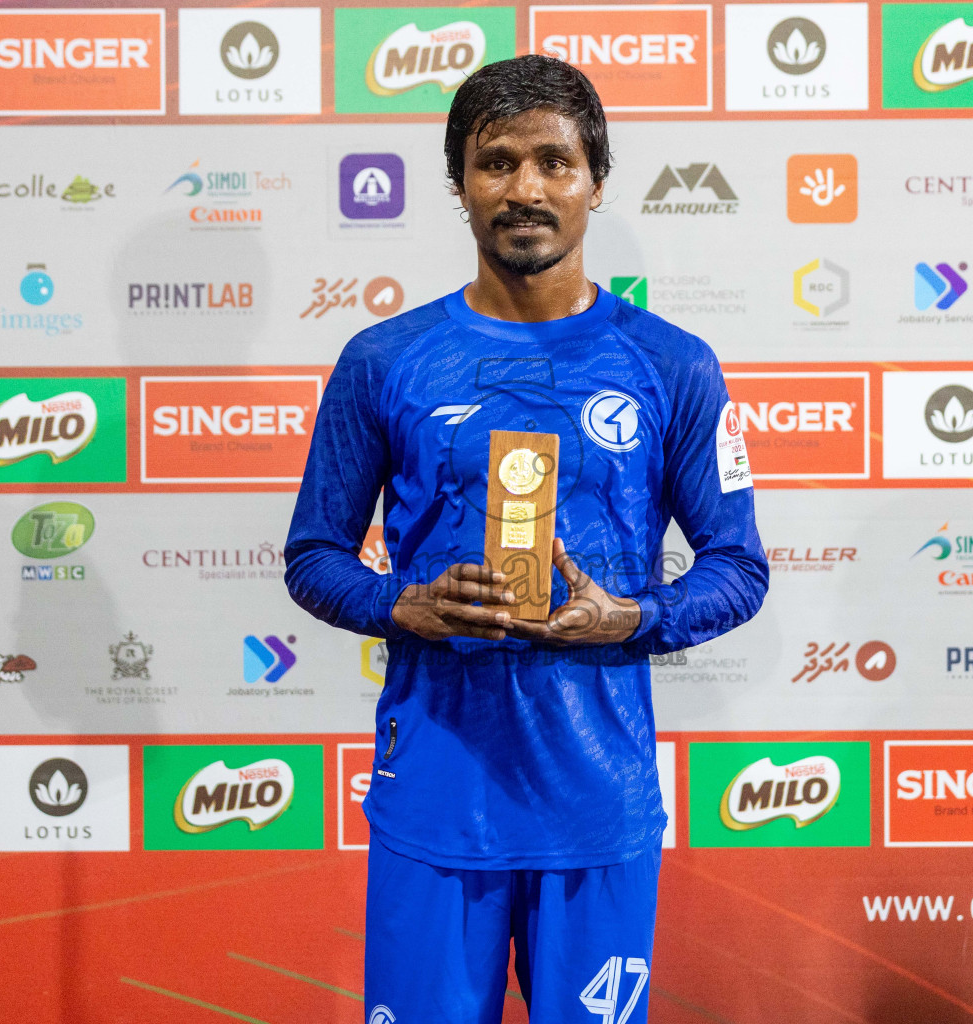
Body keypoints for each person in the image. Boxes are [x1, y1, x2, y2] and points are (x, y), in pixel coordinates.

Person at [285, 54, 769, 1024]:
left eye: (553, 162)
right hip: (433, 801)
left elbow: (738, 568)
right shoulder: (383, 361)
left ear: (596, 179)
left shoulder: (672, 364)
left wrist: (629, 616)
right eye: (496, 163)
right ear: (459, 185)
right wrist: (398, 603)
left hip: (599, 809)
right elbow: (312, 556)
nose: (525, 189)